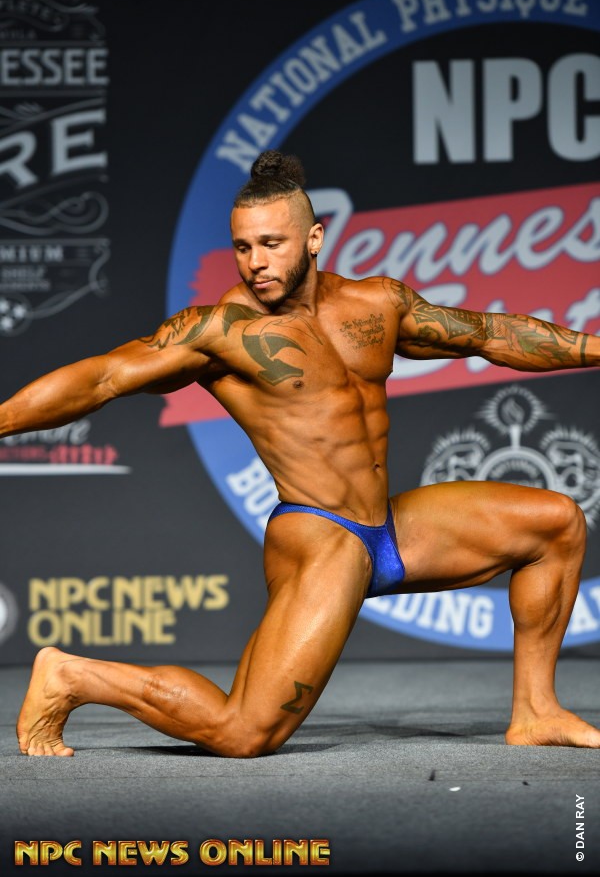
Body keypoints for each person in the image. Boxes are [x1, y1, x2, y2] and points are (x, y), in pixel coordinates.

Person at [4, 150, 599, 758]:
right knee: (244, 731)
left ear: (314, 238)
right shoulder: (220, 331)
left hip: (390, 528)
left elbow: (490, 334)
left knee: (556, 524)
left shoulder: (377, 304)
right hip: (320, 532)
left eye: (271, 244)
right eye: (242, 247)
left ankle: (536, 710)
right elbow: (101, 378)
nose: (256, 262)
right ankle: (71, 676)